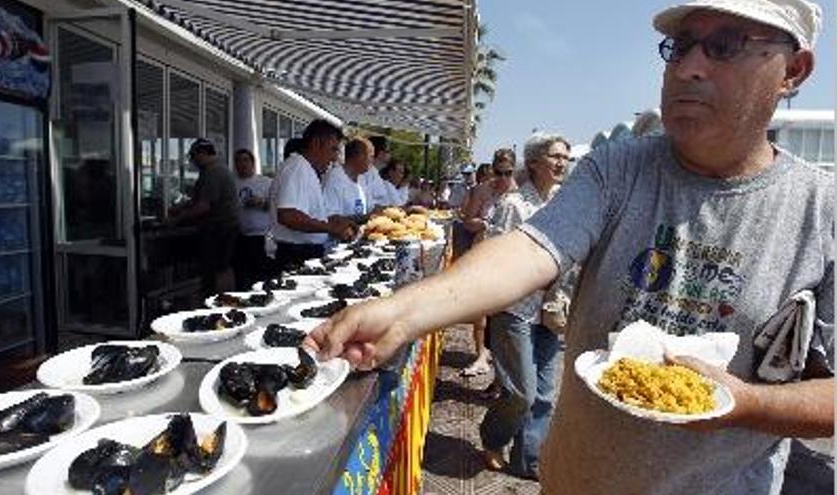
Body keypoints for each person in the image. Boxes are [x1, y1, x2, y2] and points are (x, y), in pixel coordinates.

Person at [308, 2, 833, 494]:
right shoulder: (619, 169)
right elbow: (532, 249)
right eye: (681, 45)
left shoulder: (822, 213)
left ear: (794, 71)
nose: (689, 67)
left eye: (724, 46)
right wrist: (404, 312)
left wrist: (746, 405)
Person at [480, 134, 572, 479]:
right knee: (522, 393)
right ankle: (492, 438)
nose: (562, 162)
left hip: (550, 311)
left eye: (565, 157)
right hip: (515, 309)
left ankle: (529, 460)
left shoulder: (565, 203)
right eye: (554, 156)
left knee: (545, 395)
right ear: (533, 162)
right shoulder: (513, 205)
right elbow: (495, 257)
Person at [459, 151, 516, 379]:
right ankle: (481, 355)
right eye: (499, 172)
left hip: (507, 258)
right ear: (492, 170)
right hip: (482, 254)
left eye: (508, 173)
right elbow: (468, 221)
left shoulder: (519, 192)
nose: (503, 178)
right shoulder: (482, 190)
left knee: (504, 312)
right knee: (480, 309)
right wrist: (484, 224)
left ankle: (502, 363)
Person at [270, 119, 355, 271]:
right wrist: (330, 228)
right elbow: (288, 216)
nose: (335, 157)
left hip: (303, 252)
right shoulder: (297, 167)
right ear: (316, 143)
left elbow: (305, 213)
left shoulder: (306, 168)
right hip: (296, 254)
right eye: (333, 149)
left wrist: (335, 221)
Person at [168, 138, 239, 297]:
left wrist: (177, 219)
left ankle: (216, 302)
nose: (192, 161)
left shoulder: (213, 172)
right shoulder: (217, 169)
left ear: (202, 154)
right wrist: (179, 207)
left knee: (216, 268)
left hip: (220, 228)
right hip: (224, 227)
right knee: (220, 267)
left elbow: (203, 207)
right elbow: (197, 200)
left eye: (193, 156)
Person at [233, 148, 274, 288]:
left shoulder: (266, 182)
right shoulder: (232, 184)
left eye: (245, 160)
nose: (242, 164)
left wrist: (262, 202)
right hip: (239, 237)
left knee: (260, 277)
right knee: (241, 276)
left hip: (260, 237)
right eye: (238, 161)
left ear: (253, 163)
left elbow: (277, 207)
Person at [323, 137, 374, 222]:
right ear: (359, 156)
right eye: (371, 156)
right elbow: (331, 218)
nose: (372, 161)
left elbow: (371, 207)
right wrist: (365, 218)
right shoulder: (334, 178)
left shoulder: (362, 178)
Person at [360, 135, 392, 208]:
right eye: (388, 151)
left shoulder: (375, 172)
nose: (390, 155)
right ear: (380, 153)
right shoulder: (364, 173)